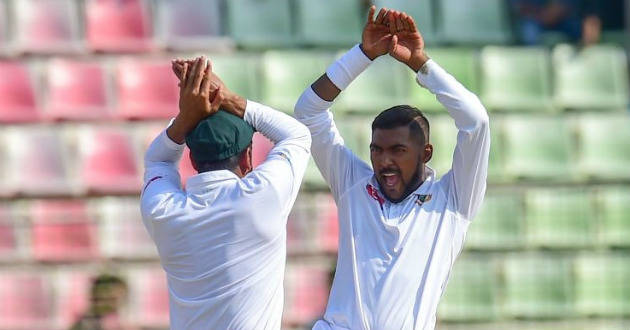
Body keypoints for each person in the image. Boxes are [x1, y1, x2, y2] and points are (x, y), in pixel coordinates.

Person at [294, 7, 490, 330]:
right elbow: (308, 112)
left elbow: (476, 121)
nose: (385, 162)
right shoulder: (352, 184)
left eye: (398, 151)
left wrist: (420, 63)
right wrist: (363, 56)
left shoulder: (453, 201)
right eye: (377, 150)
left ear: (426, 153)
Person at [140, 56, 311, 330]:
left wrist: (185, 119)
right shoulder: (262, 197)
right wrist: (230, 99)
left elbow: (157, 161)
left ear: (193, 161)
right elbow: (297, 135)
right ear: (247, 158)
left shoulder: (164, 211)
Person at [511, 0, 602, 46]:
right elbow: (520, 6)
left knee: (583, 30)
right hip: (534, 19)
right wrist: (541, 14)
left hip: (562, 18)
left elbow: (570, 5)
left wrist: (557, 11)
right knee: (530, 33)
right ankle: (534, 68)